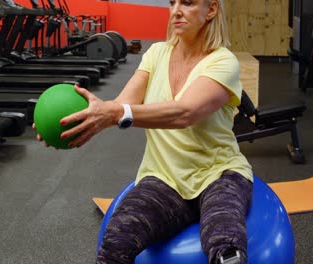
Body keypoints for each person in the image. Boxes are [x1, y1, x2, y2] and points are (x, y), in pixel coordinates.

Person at [36, 0, 253, 263]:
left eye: (187, 3)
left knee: (225, 244)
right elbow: (120, 106)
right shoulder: (156, 54)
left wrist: (116, 114)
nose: (176, 11)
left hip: (219, 174)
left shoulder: (223, 62)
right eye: (172, 3)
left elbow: (185, 112)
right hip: (163, 178)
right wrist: (82, 120)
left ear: (211, 10)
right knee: (116, 243)